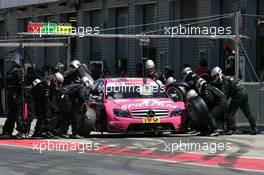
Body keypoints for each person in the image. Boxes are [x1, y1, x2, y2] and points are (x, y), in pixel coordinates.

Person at [211, 66, 258, 135]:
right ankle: (254, 128)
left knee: (230, 112)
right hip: (244, 92)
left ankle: (230, 129)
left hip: (238, 94)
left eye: (215, 77)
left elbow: (225, 97)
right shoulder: (228, 77)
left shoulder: (225, 81)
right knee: (247, 113)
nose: (215, 79)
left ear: (218, 74)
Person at [1, 52, 25, 138]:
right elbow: (21, 85)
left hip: (10, 95)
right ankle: (21, 131)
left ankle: (7, 130)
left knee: (11, 113)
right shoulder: (18, 72)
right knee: (19, 113)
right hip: (17, 95)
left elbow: (6, 84)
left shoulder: (9, 72)